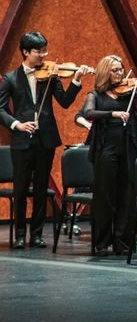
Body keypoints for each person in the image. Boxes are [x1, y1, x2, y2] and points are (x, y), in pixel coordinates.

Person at [0, 31, 93, 249]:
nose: (44, 55)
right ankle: (21, 234)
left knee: (41, 188)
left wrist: (77, 80)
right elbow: (1, 109)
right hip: (22, 140)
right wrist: (17, 125)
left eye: (45, 50)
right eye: (39, 51)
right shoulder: (11, 79)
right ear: (25, 52)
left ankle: (38, 234)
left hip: (46, 139)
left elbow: (65, 102)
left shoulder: (51, 74)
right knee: (21, 189)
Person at [81, 55, 137, 255]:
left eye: (121, 69)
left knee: (127, 196)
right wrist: (113, 114)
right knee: (105, 197)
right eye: (115, 70)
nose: (120, 73)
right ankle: (102, 242)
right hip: (106, 150)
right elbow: (88, 113)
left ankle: (123, 242)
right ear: (105, 72)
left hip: (127, 148)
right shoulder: (96, 95)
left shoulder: (129, 94)